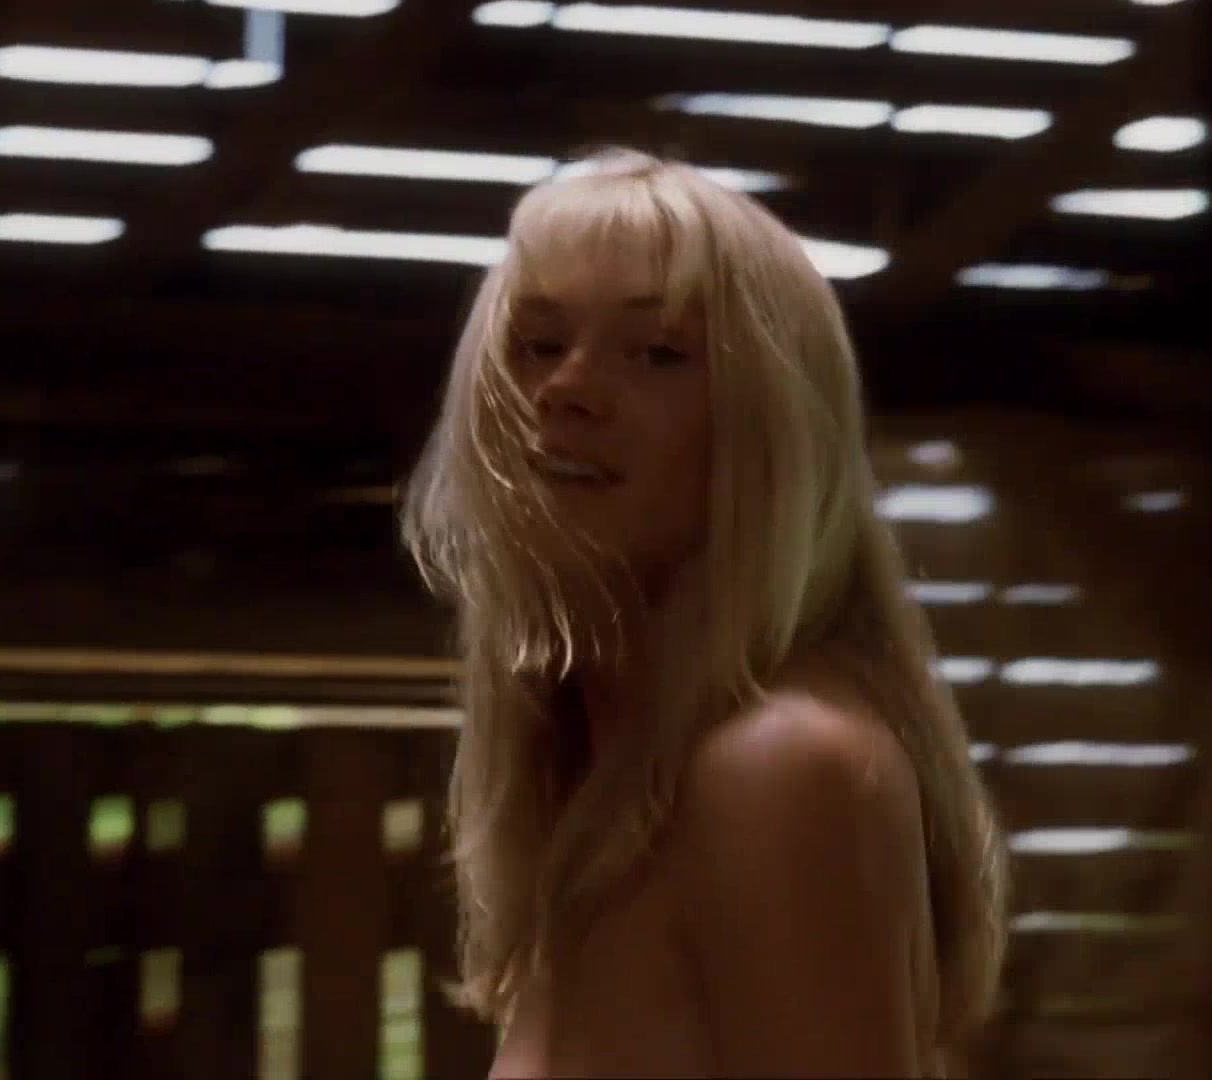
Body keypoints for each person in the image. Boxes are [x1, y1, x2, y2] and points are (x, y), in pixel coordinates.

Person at [400, 147, 1007, 1078]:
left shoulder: (776, 767)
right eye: (538, 345)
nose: (568, 388)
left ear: (770, 427)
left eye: (659, 353)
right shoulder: (605, 790)